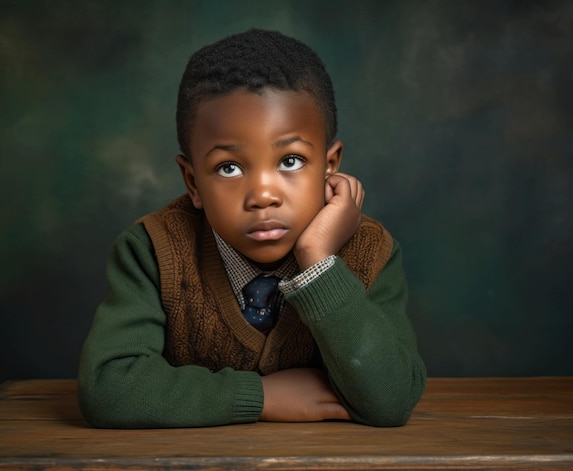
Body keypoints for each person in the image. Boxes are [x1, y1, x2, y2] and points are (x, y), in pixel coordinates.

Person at [77, 28, 426, 428]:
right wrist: (261, 397)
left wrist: (319, 264)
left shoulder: (370, 250)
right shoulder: (152, 252)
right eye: (229, 167)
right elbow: (108, 388)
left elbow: (392, 399)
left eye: (290, 161)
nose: (262, 195)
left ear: (330, 166)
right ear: (193, 183)